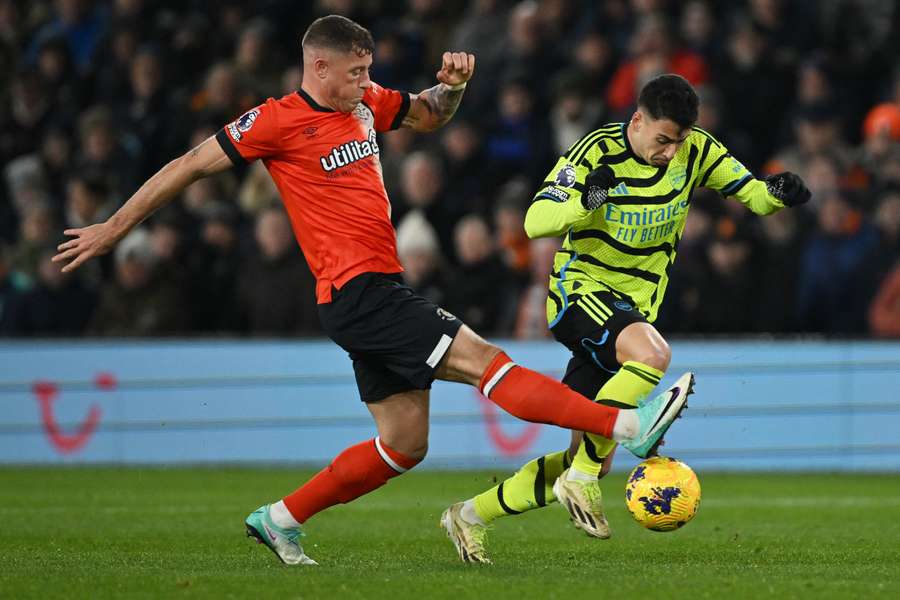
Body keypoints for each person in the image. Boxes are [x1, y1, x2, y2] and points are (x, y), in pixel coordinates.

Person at [52, 16, 689, 567]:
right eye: (355, 71)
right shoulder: (274, 122)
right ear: (319, 65)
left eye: (369, 70)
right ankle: (624, 425)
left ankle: (280, 518)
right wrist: (112, 228)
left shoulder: (364, 105)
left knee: (405, 444)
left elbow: (430, 113)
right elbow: (188, 166)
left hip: (370, 293)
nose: (366, 82)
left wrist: (455, 87)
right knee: (485, 361)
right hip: (360, 294)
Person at [443, 74, 811, 563]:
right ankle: (607, 453)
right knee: (653, 354)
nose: (669, 152)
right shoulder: (595, 152)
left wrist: (780, 193)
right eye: (662, 140)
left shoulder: (694, 151)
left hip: (633, 310)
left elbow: (753, 194)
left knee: (587, 451)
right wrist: (584, 200)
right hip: (581, 293)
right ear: (637, 121)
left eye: (677, 142)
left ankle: (469, 516)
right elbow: (535, 221)